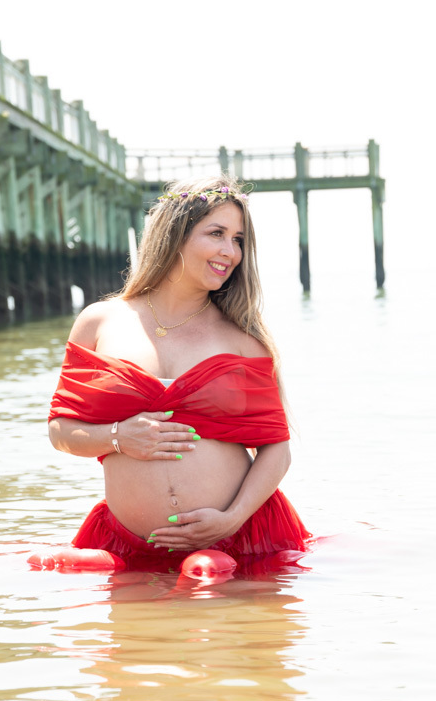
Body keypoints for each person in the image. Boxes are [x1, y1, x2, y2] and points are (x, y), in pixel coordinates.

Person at [29, 176, 310, 578]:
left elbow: (276, 450)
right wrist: (118, 437)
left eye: (239, 240)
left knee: (233, 625)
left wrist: (230, 519)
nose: (230, 252)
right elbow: (61, 431)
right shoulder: (99, 323)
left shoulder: (244, 341)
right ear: (175, 234)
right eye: (216, 233)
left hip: (237, 540)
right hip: (129, 546)